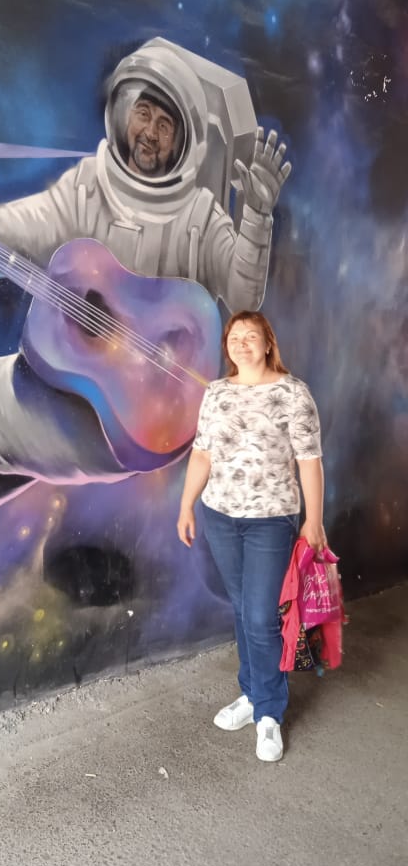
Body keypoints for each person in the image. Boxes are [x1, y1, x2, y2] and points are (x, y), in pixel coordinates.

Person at [0, 38, 291, 546]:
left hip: (109, 422)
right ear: (122, 112)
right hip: (63, 391)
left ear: (183, 142)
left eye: (165, 126)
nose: (150, 133)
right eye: (144, 113)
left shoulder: (198, 215)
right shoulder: (88, 187)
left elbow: (244, 295)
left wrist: (256, 217)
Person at [176, 309, 325, 762]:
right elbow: (202, 453)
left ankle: (269, 713)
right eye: (234, 337)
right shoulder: (217, 393)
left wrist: (314, 521)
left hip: (271, 520)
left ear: (268, 343)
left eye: (251, 336)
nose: (242, 343)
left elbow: (310, 461)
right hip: (220, 516)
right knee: (243, 610)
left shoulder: (293, 393)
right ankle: (252, 692)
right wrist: (186, 504)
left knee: (261, 618)